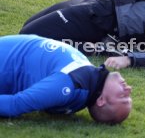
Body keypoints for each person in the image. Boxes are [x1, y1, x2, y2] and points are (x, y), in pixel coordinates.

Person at [0, 35, 132, 124]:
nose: (128, 89)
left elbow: (14, 105)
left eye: (123, 97)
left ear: (101, 101)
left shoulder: (68, 85)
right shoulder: (86, 79)